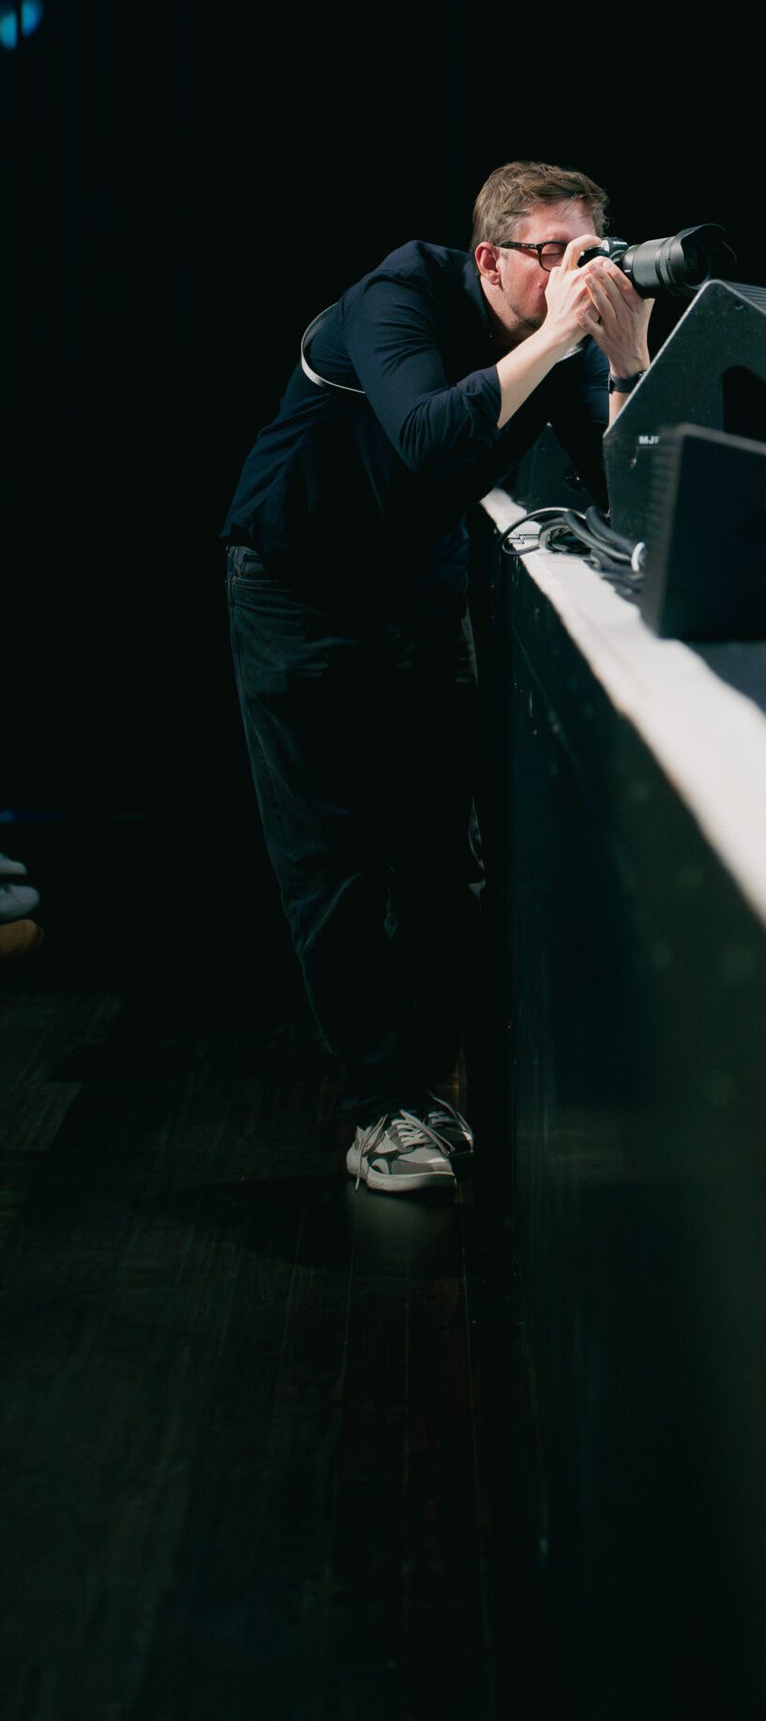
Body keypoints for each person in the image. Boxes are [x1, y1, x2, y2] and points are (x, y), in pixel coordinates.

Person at [223, 161, 652, 1192]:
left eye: (590, 252)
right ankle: (378, 1110)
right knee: (334, 863)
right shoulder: (400, 296)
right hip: (298, 584)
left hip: (415, 585)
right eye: (552, 254)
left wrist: (628, 358)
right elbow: (424, 436)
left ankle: (423, 1087)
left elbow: (624, 487)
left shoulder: (562, 342)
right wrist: (561, 334)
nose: (575, 274)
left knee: (441, 863)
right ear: (491, 259)